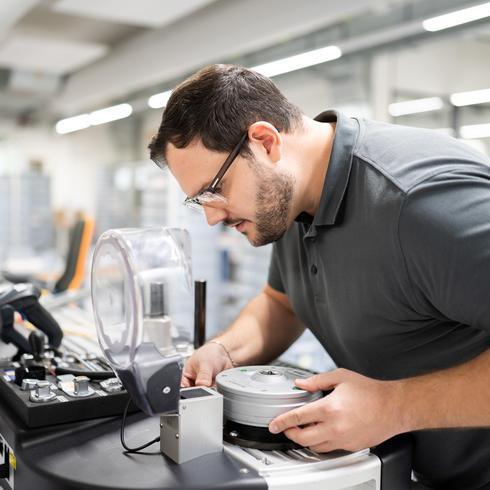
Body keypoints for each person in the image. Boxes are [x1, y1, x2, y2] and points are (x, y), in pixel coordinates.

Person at [148, 64, 490, 489]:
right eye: (198, 201)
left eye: (214, 190)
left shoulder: (422, 204)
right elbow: (282, 302)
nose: (212, 216)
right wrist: (225, 351)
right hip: (406, 470)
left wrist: (396, 406)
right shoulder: (290, 202)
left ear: (265, 141)